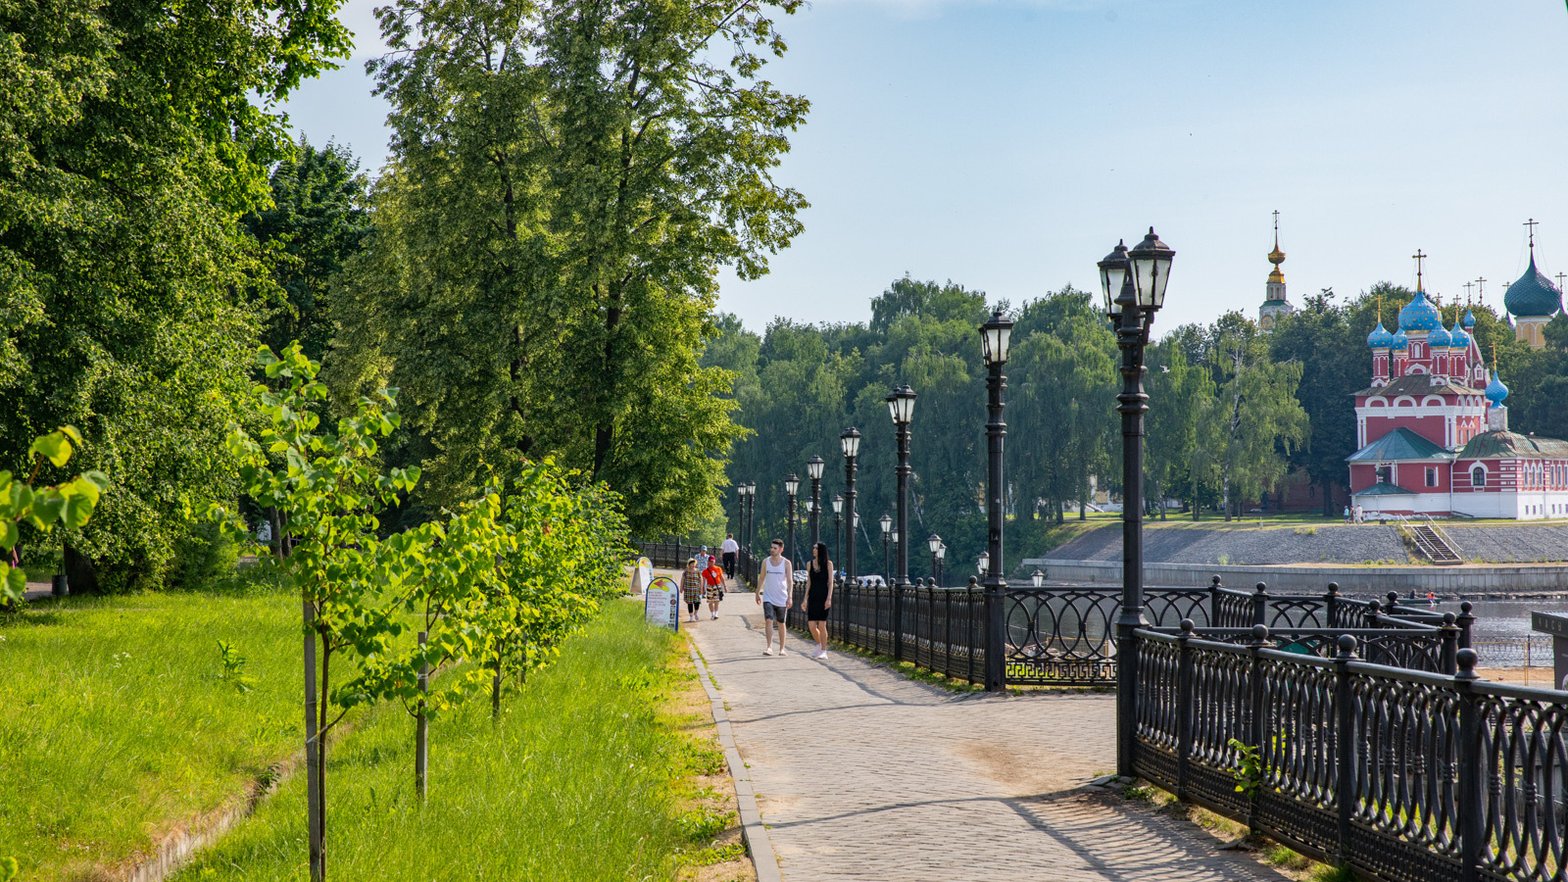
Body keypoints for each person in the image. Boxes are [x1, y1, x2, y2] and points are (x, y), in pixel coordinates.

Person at [756, 538, 793, 656]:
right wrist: (757, 592)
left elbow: (790, 581)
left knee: (781, 623)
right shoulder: (765, 562)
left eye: (775, 548)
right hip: (768, 597)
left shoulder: (786, 563)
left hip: (782, 597)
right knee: (768, 620)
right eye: (771, 548)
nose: (772, 550)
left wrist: (790, 597)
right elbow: (761, 578)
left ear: (781, 549)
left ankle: (782, 648)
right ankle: (769, 647)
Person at [804, 542, 834, 659]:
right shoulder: (809, 564)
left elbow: (831, 582)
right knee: (811, 624)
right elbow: (809, 582)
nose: (814, 550)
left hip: (824, 596)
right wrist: (805, 598)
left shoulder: (828, 564)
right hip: (813, 596)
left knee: (822, 624)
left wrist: (829, 598)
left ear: (821, 550)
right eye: (813, 548)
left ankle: (823, 650)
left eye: (816, 548)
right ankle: (820, 643)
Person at [681, 558, 704, 623]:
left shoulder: (698, 571)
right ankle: (691, 616)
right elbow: (682, 579)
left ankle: (695, 613)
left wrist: (701, 588)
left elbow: (701, 580)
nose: (693, 565)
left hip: (696, 589)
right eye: (691, 563)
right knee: (690, 603)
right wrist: (681, 588)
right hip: (688, 589)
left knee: (697, 602)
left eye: (694, 564)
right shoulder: (685, 571)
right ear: (689, 564)